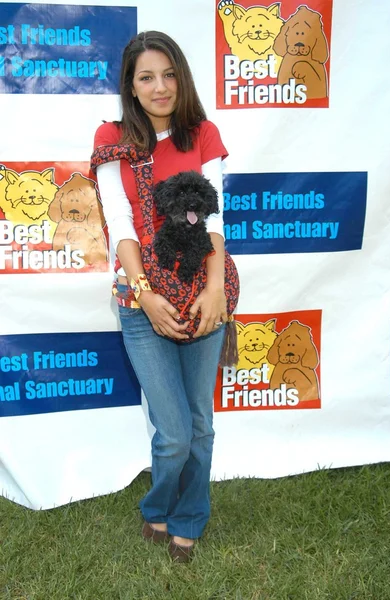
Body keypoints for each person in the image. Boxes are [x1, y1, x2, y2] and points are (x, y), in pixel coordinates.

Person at [92, 31, 231, 563]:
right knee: (173, 433)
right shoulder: (112, 138)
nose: (160, 87)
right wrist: (145, 294)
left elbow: (213, 219)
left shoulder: (202, 133)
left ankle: (189, 517)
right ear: (130, 83)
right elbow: (120, 225)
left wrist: (216, 287)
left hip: (205, 296)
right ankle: (157, 505)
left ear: (182, 77)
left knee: (200, 425)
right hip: (140, 301)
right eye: (146, 76)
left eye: (169, 74)